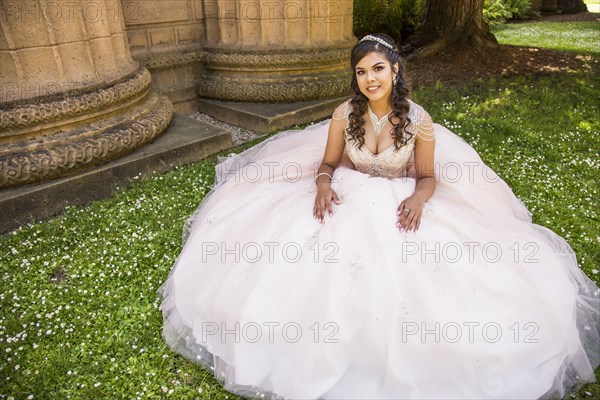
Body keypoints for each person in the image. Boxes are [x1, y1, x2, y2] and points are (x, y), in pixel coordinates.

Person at [158, 34, 599, 399]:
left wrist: (419, 200)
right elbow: (327, 163)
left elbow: (427, 176)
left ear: (395, 71)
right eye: (361, 71)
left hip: (398, 200)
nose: (370, 78)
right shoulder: (343, 115)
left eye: (378, 69)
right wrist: (323, 184)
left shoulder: (419, 121)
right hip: (347, 194)